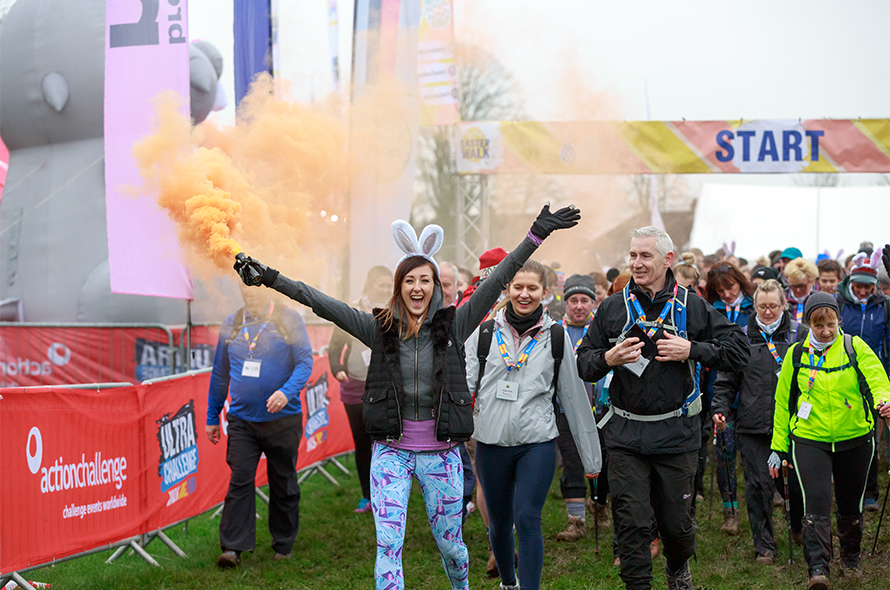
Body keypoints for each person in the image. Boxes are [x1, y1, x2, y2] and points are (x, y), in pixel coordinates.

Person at [233, 204, 581, 590]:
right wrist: (269, 277)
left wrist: (536, 234)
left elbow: (500, 277)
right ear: (400, 286)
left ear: (434, 287)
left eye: (425, 280)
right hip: (391, 453)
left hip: (442, 455)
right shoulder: (377, 328)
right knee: (388, 546)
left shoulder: (456, 324)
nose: (417, 287)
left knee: (452, 549)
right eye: (409, 280)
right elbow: (320, 302)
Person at [577, 226, 749, 590]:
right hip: (626, 436)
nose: (636, 263)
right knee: (633, 525)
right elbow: (583, 364)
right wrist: (608, 357)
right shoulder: (612, 307)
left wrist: (693, 350)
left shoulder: (692, 305)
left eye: (645, 256)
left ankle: (677, 567)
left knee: (677, 527)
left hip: (677, 435)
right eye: (633, 255)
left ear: (668, 260)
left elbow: (739, 351)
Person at [465, 261, 601, 590]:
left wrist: (592, 460)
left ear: (545, 292)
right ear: (507, 289)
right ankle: (508, 583)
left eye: (532, 288)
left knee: (527, 517)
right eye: (518, 287)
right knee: (498, 523)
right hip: (491, 442)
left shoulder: (556, 336)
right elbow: (463, 386)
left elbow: (573, 397)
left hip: (536, 443)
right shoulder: (483, 334)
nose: (524, 294)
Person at [769, 292, 890, 589]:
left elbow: (877, 378)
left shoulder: (854, 346)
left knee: (851, 504)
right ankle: (818, 568)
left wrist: (884, 400)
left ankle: (851, 560)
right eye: (819, 325)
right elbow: (782, 402)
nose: (826, 331)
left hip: (856, 439)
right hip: (810, 440)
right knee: (816, 504)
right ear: (808, 323)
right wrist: (777, 446)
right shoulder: (796, 354)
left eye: (831, 324)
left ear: (839, 321)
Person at [206, 282, 314, 567]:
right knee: (240, 480)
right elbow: (220, 372)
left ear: (268, 288)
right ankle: (232, 549)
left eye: (254, 287)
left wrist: (285, 392)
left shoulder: (288, 318)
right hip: (242, 421)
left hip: (284, 419)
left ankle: (283, 544)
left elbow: (305, 362)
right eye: (244, 287)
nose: (249, 292)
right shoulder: (232, 324)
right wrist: (211, 416)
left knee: (283, 480)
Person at [712, 279, 805, 564]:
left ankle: (800, 527)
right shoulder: (741, 337)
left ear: (783, 305)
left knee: (797, 486)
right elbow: (726, 381)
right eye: (762, 306)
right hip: (752, 425)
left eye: (773, 306)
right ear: (755, 306)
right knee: (757, 486)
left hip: (792, 426)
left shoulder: (798, 334)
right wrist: (721, 408)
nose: (767, 312)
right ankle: (764, 546)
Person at [327, 265, 393, 513]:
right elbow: (335, 345)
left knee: (384, 442)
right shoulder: (353, 308)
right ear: (370, 285)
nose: (386, 290)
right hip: (355, 385)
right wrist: (337, 368)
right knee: (362, 442)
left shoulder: (398, 309)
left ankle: (386, 493)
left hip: (386, 387)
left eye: (389, 286)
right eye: (381, 286)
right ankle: (367, 496)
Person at [550, 274, 605, 542]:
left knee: (603, 461)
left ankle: (601, 507)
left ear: (593, 303)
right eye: (574, 300)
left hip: (601, 410)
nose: (579, 306)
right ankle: (576, 521)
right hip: (564, 411)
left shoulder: (602, 330)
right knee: (571, 463)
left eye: (585, 300)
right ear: (566, 303)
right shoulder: (555, 331)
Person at [702, 262, 756, 535]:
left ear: (740, 283)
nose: (726, 294)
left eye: (730, 287)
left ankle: (763, 504)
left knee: (753, 455)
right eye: (720, 290)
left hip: (751, 391)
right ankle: (730, 512)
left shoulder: (756, 308)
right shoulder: (711, 312)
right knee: (724, 452)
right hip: (719, 390)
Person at [834, 250, 890, 512]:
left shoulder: (884, 305)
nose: (863, 290)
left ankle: (870, 494)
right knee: (846, 430)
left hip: (874, 377)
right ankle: (842, 487)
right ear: (851, 282)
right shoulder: (840, 303)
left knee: (872, 436)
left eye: (868, 286)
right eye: (858, 285)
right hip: (843, 376)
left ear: (875, 286)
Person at [784, 258, 818, 323]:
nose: (798, 290)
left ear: (811, 281)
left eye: (802, 286)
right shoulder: (783, 299)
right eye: (794, 286)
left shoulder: (818, 299)